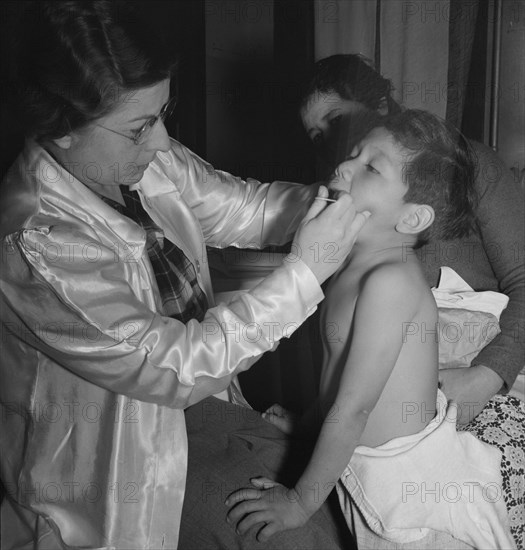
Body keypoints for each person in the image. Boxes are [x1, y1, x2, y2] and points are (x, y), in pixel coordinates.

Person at [0, 3, 369, 549]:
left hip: (209, 409)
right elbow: (176, 368)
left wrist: (343, 201)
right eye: (139, 126)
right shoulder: (37, 242)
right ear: (63, 128)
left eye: (162, 112)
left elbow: (247, 209)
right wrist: (307, 271)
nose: (161, 141)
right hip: (123, 457)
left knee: (331, 513)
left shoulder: (143, 158)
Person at [226, 110, 517, 549]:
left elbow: (356, 407)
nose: (344, 166)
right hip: (365, 465)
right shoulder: (347, 268)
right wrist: (305, 427)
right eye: (354, 154)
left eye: (370, 168)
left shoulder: (391, 281)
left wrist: (299, 503)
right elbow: (338, 378)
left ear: (413, 219)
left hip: (405, 488)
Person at [299, 54, 525, 426]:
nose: (331, 142)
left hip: (488, 375)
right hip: (392, 397)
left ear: (382, 104)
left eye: (336, 119)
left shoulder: (473, 166)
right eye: (317, 136)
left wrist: (486, 377)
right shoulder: (341, 205)